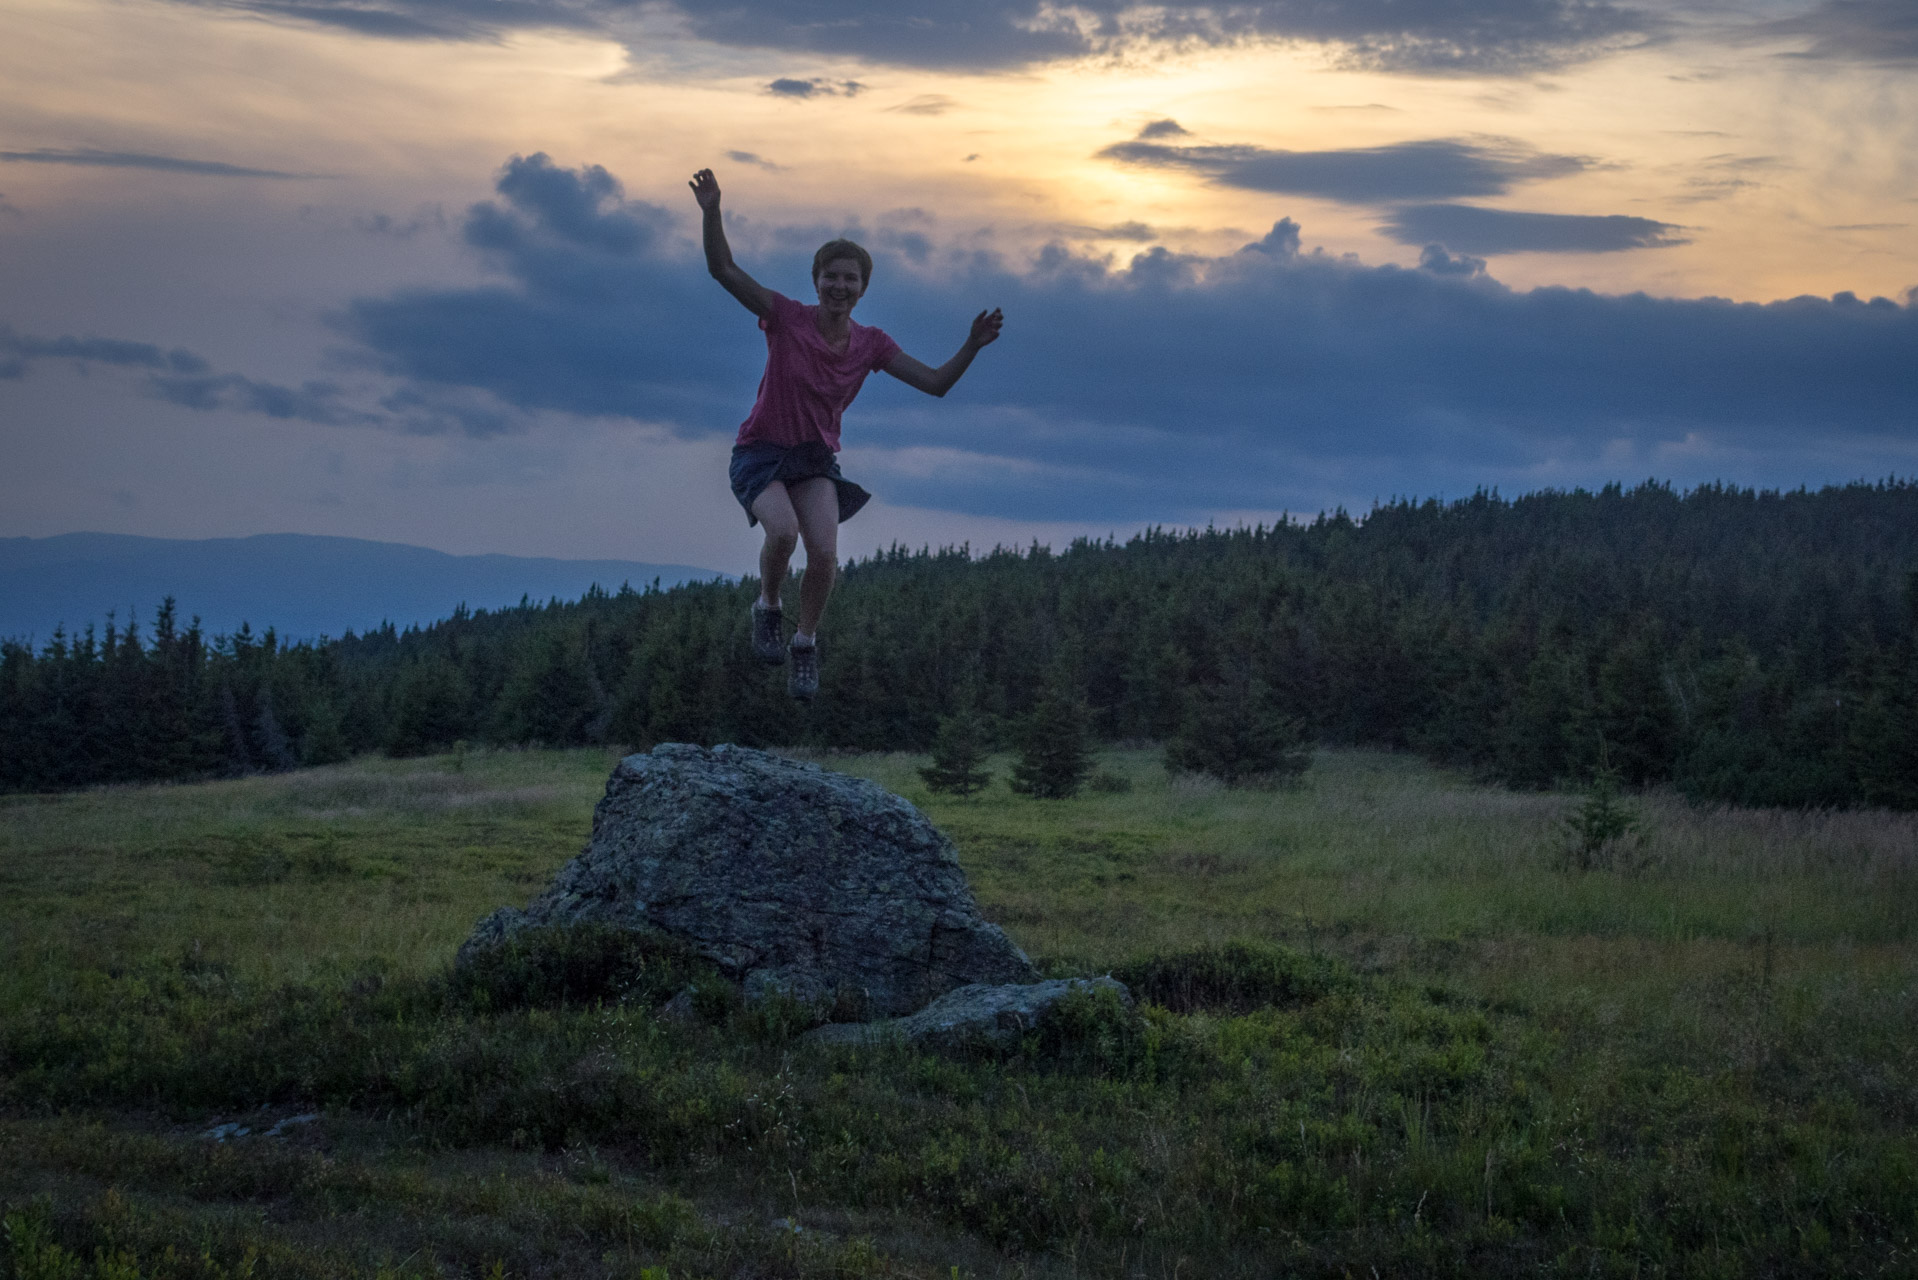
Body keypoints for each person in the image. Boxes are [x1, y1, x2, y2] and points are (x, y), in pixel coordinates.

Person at [690, 167, 1004, 702]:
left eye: (850, 279)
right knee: (783, 533)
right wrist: (713, 210)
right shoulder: (786, 318)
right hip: (760, 453)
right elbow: (724, 270)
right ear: (816, 281)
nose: (839, 286)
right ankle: (768, 607)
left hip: (813, 461)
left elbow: (934, 384)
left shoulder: (871, 343)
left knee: (826, 557)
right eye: (830, 276)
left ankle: (805, 644)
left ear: (863, 289)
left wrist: (971, 345)